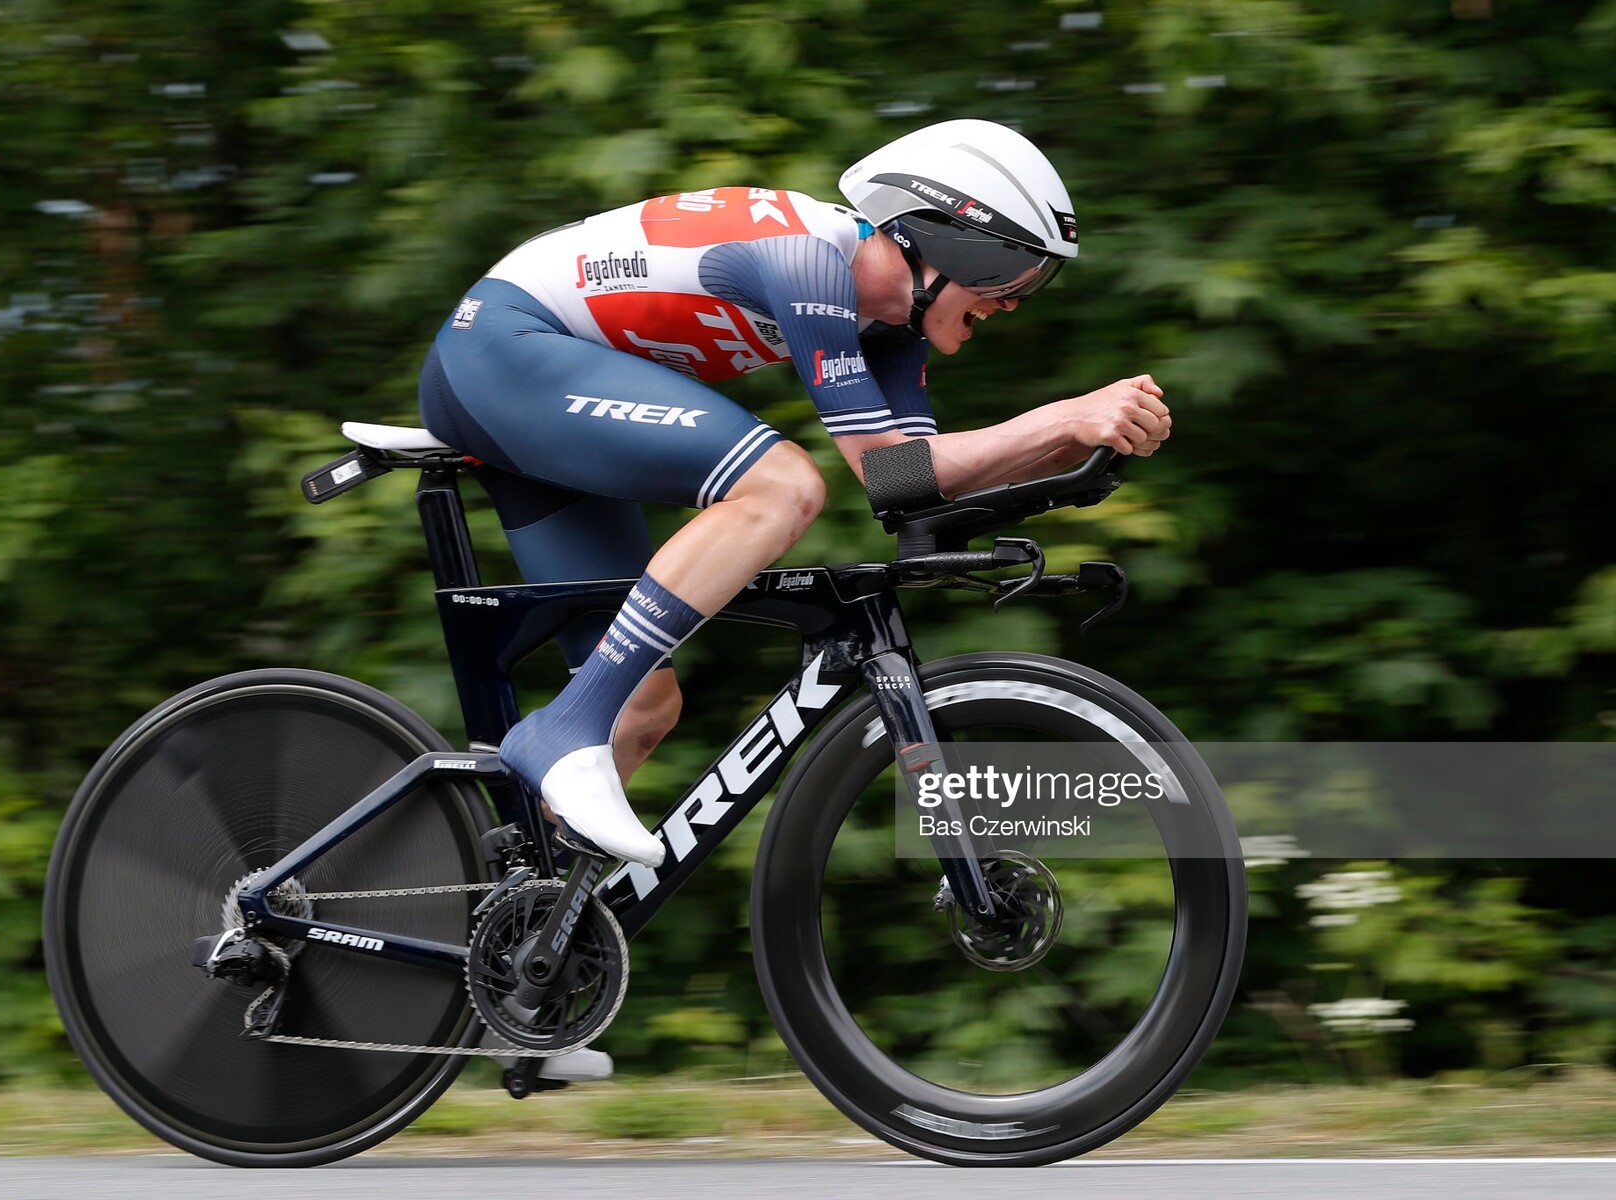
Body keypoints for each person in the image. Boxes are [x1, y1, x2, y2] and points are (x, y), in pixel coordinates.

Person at [420, 118, 1170, 869]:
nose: (1013, 303)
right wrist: (1060, 418)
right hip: (500, 352)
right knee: (782, 486)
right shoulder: (808, 260)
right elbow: (883, 467)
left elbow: (907, 483)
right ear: (948, 241)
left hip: (544, 395)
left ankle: (515, 905)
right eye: (1013, 275)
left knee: (644, 709)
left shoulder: (889, 327)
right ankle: (565, 729)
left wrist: (1071, 447)